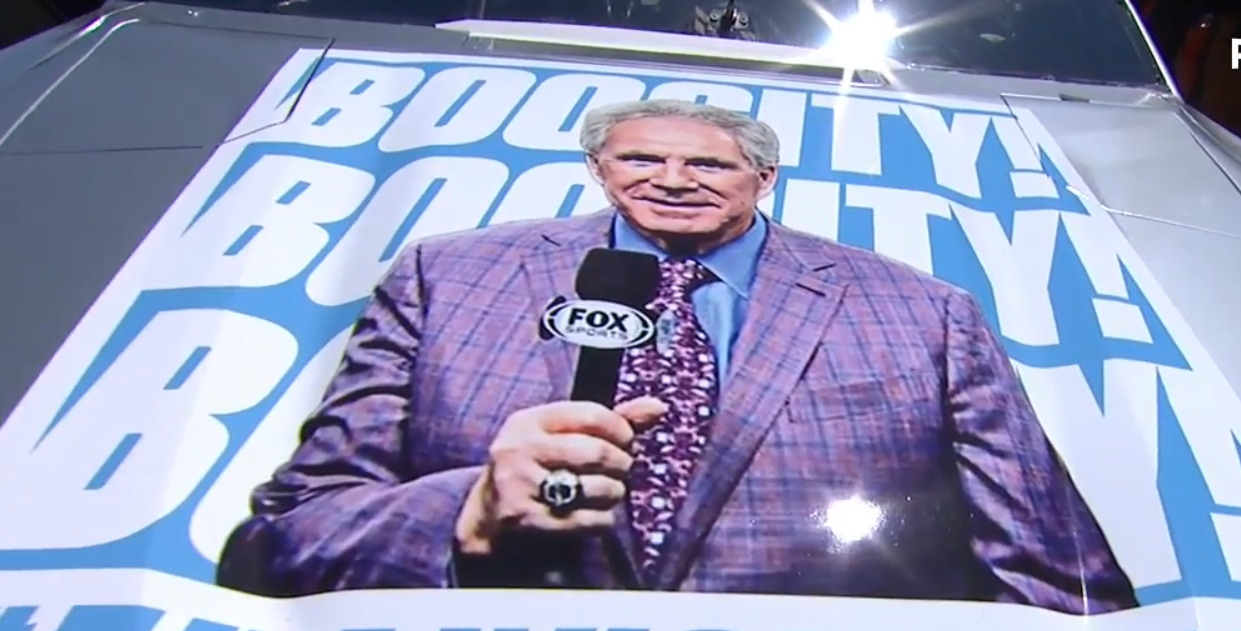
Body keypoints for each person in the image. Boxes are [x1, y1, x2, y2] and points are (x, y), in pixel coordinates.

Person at [216, 98, 1139, 614]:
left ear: (764, 178)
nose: (670, 180)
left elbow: (1055, 580)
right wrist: (466, 511)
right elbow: (280, 546)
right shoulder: (446, 277)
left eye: (707, 165)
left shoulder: (923, 311)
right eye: (640, 160)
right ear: (599, 170)